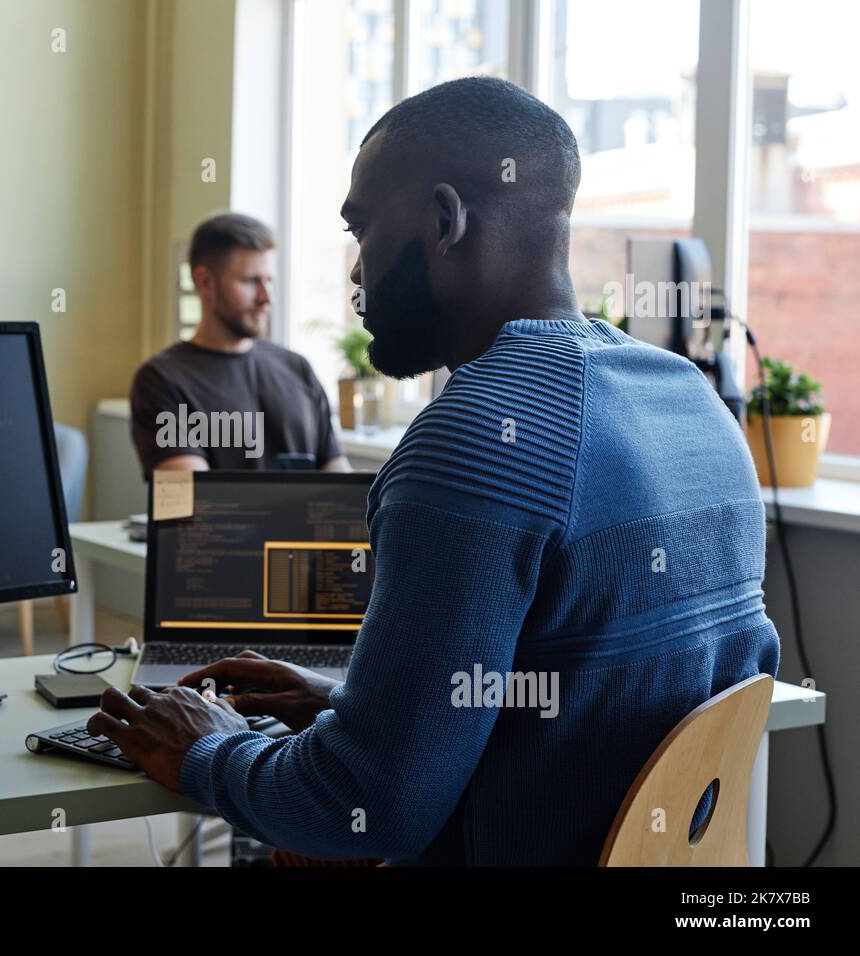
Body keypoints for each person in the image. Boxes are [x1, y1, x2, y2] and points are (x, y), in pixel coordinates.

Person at [87, 76, 780, 865]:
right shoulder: (693, 401)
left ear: (444, 222)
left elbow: (363, 805)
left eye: (363, 229)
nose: (355, 272)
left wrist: (207, 748)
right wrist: (352, 706)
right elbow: (585, 699)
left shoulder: (474, 441)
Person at [129, 212, 351, 475]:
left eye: (269, 281)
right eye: (250, 282)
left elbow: (338, 483)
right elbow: (192, 504)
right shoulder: (162, 380)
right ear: (205, 283)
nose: (266, 298)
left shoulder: (297, 368)